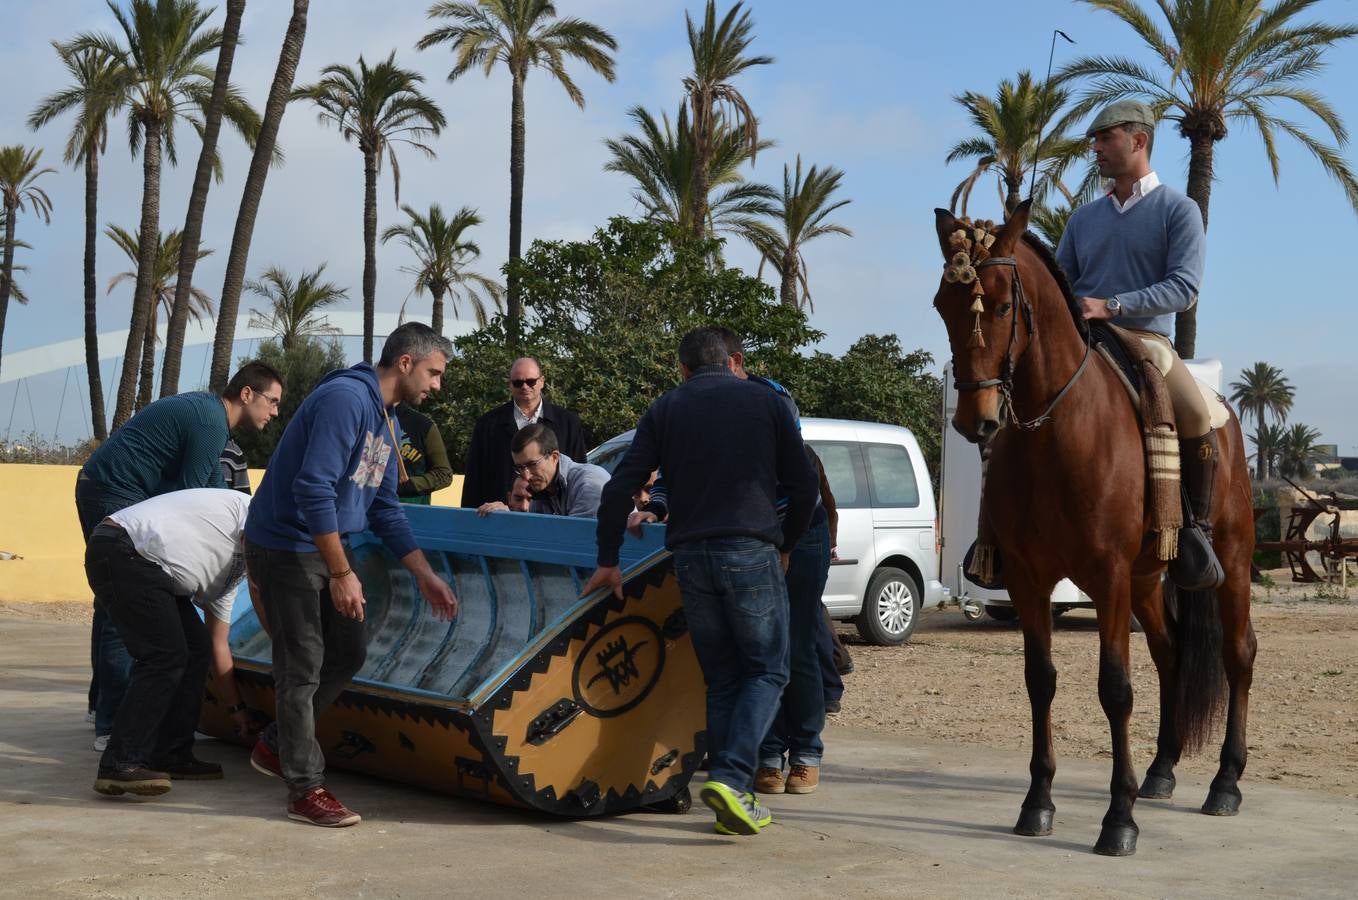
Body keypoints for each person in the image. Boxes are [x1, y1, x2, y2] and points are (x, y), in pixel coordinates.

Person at [582, 326, 819, 837]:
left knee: (724, 677)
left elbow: (622, 485)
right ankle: (733, 779)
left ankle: (732, 797)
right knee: (768, 671)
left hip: (689, 554)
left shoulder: (666, 408)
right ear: (733, 360)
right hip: (750, 549)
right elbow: (805, 487)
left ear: (684, 368)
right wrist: (786, 544)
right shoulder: (768, 402)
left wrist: (608, 557)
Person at [243, 323, 459, 828]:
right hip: (287, 544)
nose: (437, 385)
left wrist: (423, 573)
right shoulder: (346, 400)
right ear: (404, 363)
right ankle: (305, 789)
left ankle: (278, 745)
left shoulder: (389, 422)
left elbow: (383, 506)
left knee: (349, 649)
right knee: (302, 664)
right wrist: (341, 572)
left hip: (325, 544)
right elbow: (313, 488)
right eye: (434, 373)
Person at [77, 362, 284, 751]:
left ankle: (103, 709)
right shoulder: (211, 423)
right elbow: (192, 496)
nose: (274, 412)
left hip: (110, 487)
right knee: (121, 609)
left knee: (116, 605)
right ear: (246, 394)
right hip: (113, 490)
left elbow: (210, 487)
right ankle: (111, 723)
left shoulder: (210, 419)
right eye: (271, 401)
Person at [1055, 99, 1218, 587]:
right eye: (1095, 141)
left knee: (1197, 415)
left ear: (1138, 140)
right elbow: (1062, 280)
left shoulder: (1178, 209)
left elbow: (1184, 288)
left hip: (1149, 340)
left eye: (1104, 139)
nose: (1096, 149)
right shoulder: (1083, 219)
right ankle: (998, 534)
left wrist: (1113, 305)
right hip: (1086, 339)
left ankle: (1194, 532)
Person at [86, 488, 252, 797]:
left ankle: (172, 754)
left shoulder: (230, 577)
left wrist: (236, 709)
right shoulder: (256, 511)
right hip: (123, 549)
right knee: (164, 655)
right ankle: (120, 762)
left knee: (196, 647)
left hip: (143, 563)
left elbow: (218, 645)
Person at [460, 357, 587, 508]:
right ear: (510, 385)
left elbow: (578, 470)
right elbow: (474, 479)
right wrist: (469, 522)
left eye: (531, 381)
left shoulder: (568, 423)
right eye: (518, 383)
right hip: (496, 517)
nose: (525, 386)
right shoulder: (488, 425)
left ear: (542, 381)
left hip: (553, 517)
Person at [393, 402, 454, 504]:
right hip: (366, 509)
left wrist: (409, 485)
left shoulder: (423, 425)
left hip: (412, 510)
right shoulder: (368, 417)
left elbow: (444, 475)